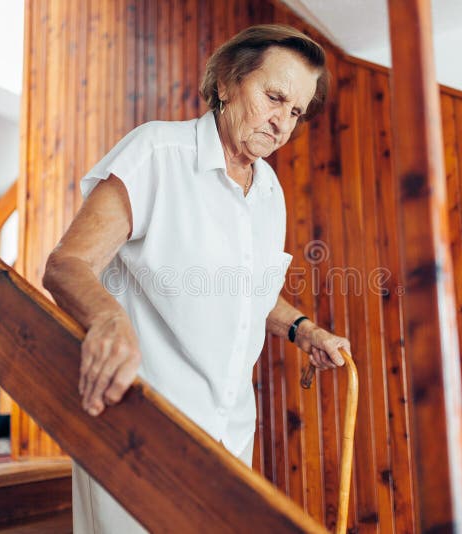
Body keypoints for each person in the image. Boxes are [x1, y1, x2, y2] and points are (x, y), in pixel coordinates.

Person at [43, 24, 351, 533]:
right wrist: (108, 321)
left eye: (295, 112)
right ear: (227, 83)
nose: (282, 123)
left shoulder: (268, 191)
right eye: (274, 97)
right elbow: (67, 264)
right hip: (141, 425)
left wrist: (305, 331)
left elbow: (251, 294)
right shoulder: (157, 153)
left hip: (229, 437)